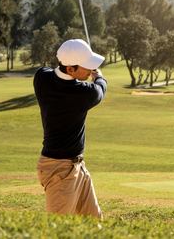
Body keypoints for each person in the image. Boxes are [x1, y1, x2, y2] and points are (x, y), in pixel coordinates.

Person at [33, 39, 107, 219]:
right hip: (59, 169)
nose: (90, 69)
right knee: (59, 228)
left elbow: (52, 72)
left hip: (77, 166)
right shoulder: (84, 94)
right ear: (71, 69)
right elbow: (101, 88)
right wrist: (98, 76)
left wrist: (85, 69)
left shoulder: (41, 78)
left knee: (94, 221)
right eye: (86, 66)